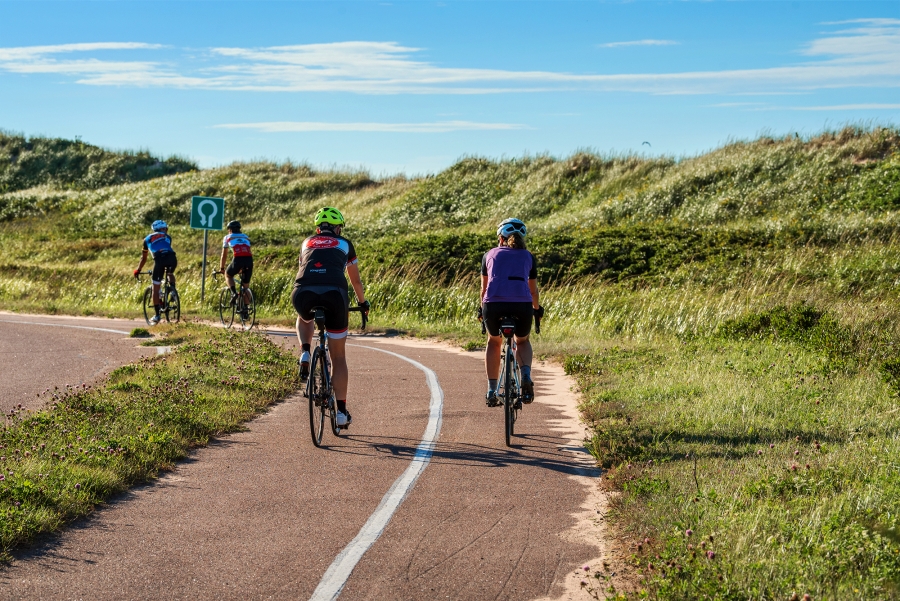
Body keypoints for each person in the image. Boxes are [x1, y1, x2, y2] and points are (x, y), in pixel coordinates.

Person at [291, 207, 369, 427]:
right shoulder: (345, 244)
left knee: (304, 317)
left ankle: (305, 352)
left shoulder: (306, 243)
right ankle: (342, 412)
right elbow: (356, 282)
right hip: (335, 294)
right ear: (337, 228)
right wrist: (363, 303)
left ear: (318, 228)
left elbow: (303, 268)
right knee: (338, 357)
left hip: (302, 291)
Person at [479, 218, 544, 407]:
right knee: (522, 341)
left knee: (493, 341)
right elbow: (533, 292)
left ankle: (492, 390)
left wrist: (481, 310)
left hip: (493, 305)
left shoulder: (489, 255)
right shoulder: (528, 256)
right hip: (521, 305)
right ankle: (525, 374)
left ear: (501, 239)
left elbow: (483, 291)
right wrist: (537, 310)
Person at [133, 220, 177, 326]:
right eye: (165, 229)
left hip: (159, 260)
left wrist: (138, 270)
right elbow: (166, 248)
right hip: (172, 258)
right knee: (170, 273)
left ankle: (157, 315)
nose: (166, 231)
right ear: (163, 229)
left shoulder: (147, 239)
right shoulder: (168, 237)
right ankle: (173, 290)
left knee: (155, 287)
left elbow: (144, 258)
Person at [218, 220, 254, 317]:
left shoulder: (227, 237)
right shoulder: (246, 236)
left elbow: (224, 255)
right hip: (249, 260)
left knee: (228, 275)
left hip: (238, 259)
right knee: (246, 287)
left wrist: (222, 268)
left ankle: (234, 293)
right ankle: (246, 309)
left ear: (229, 230)